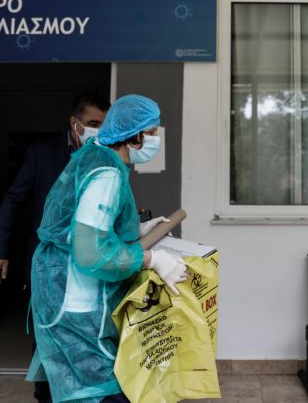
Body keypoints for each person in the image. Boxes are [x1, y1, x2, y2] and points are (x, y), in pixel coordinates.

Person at [26, 94, 188, 403]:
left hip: (59, 286)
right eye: (152, 133)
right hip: (77, 299)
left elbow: (79, 223)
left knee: (68, 387)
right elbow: (92, 253)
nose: (155, 140)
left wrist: (137, 229)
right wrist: (152, 259)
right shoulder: (107, 174)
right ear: (135, 135)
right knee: (98, 390)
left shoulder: (93, 156)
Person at [0, 92, 110, 403]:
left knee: (85, 335)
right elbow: (15, 200)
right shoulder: (43, 153)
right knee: (46, 336)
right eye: (93, 123)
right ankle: (45, 395)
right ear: (74, 123)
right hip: (47, 266)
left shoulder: (105, 155)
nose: (99, 131)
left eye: (104, 125)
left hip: (88, 265)